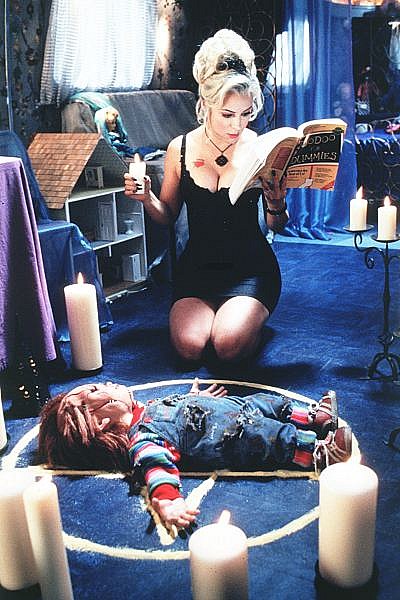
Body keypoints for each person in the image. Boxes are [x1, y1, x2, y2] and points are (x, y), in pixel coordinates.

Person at [124, 29, 289, 363]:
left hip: (251, 269)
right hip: (197, 269)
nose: (237, 125)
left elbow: (278, 225)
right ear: (206, 105)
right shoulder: (180, 148)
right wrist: (146, 198)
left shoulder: (261, 148)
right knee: (190, 348)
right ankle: (228, 322)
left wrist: (275, 203)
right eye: (228, 114)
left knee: (227, 347)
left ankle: (247, 324)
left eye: (246, 114)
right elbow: (167, 215)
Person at [38, 379, 352, 530]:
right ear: (99, 423)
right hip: (231, 435)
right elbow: (154, 465)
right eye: (94, 392)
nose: (104, 383)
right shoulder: (143, 436)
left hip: (229, 410)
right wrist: (167, 500)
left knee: (265, 403)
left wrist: (194, 400)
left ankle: (315, 418)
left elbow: (175, 412)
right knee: (266, 435)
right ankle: (319, 453)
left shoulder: (145, 410)